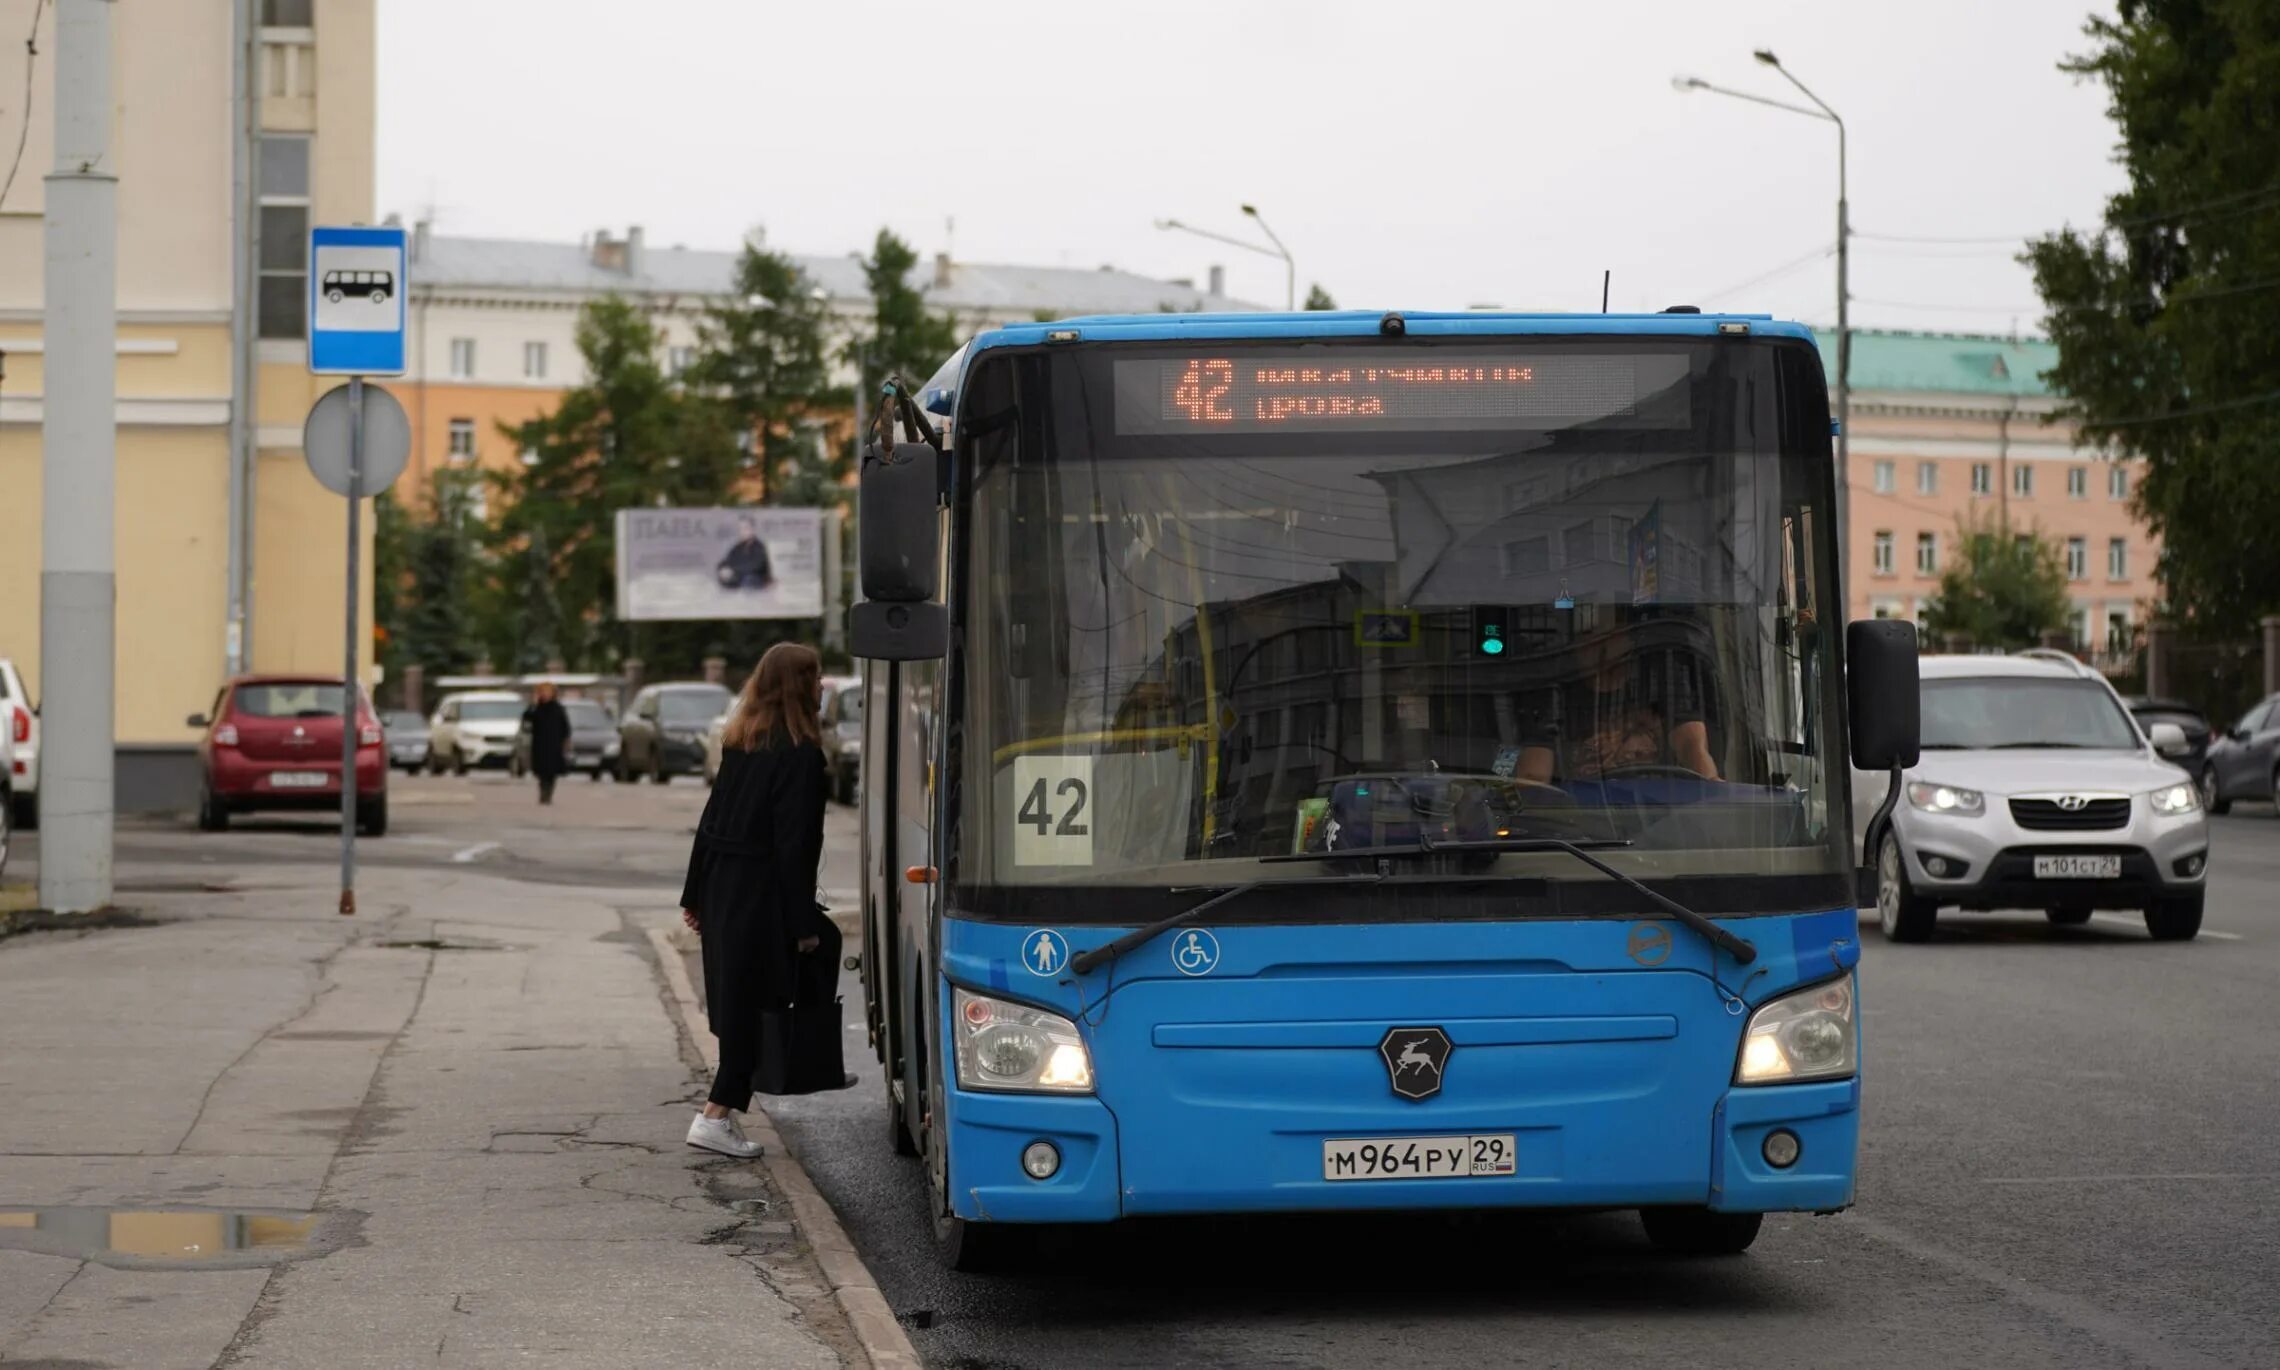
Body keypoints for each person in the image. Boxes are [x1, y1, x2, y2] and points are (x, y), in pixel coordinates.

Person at [676, 642, 849, 1159]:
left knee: (741, 1001)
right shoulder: (800, 756)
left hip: (726, 887)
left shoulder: (742, 741)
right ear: (798, 686)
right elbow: (794, 846)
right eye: (815, 678)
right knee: (764, 998)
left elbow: (709, 823)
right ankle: (717, 1114)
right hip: (762, 894)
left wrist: (695, 895)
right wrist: (801, 923)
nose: (822, 687)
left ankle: (731, 1104)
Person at [1509, 617, 1720, 785]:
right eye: (1597, 644)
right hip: (1575, 815)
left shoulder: (1660, 677)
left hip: (1658, 810)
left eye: (1616, 633)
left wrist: (1711, 784)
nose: (1607, 647)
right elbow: (1535, 773)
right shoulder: (1552, 690)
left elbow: (1691, 744)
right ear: (1577, 645)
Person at [524, 682, 571, 805]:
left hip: (554, 744)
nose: (545, 694)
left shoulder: (558, 708)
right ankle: (542, 793)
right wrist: (533, 704)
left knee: (552, 772)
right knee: (541, 771)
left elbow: (565, 727)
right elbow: (526, 719)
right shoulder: (536, 708)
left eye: (548, 692)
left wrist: (566, 741)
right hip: (539, 743)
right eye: (543, 692)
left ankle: (548, 794)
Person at [716, 517, 774, 591]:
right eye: (740, 529)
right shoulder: (737, 547)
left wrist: (733, 570)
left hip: (757, 580)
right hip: (740, 578)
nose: (743, 531)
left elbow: (754, 566)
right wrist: (722, 569)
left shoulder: (759, 546)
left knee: (749, 579)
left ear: (753, 529)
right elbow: (727, 560)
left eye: (746, 528)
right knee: (725, 580)